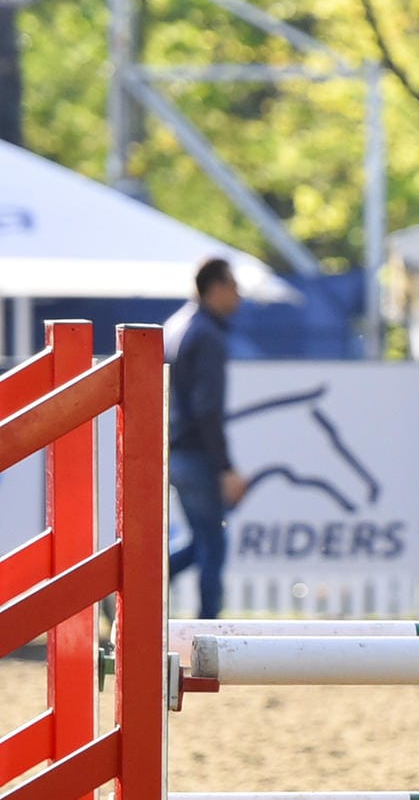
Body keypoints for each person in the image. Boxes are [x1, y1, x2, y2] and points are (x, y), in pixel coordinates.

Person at [168, 257, 248, 619]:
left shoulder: (177, 325)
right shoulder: (208, 335)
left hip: (173, 449)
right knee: (213, 543)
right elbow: (207, 410)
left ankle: (136, 585)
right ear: (215, 288)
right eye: (233, 286)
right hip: (196, 453)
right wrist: (226, 467)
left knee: (201, 540)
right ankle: (208, 629)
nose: (239, 296)